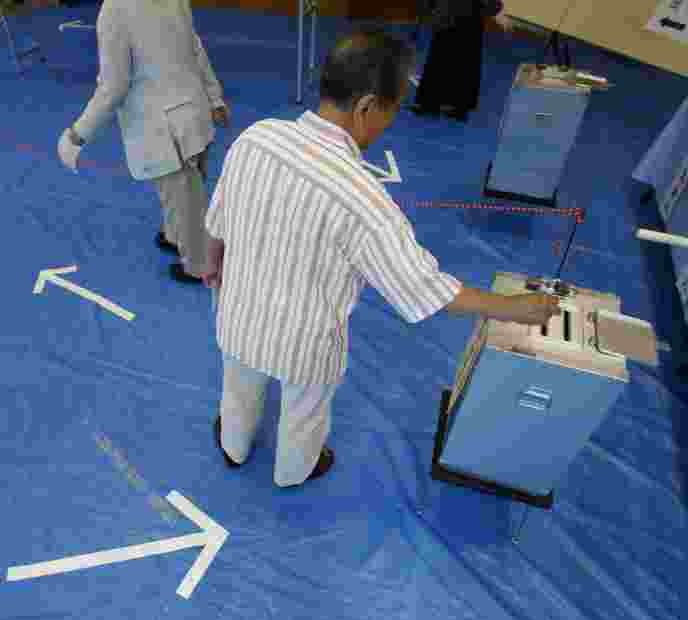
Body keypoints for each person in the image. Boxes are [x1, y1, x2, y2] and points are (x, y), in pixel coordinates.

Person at [200, 30, 560, 488]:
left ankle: (234, 446)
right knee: (304, 411)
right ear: (367, 106)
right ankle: (293, 471)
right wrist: (518, 308)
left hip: (240, 311)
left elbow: (219, 222)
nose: (389, 122)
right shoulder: (364, 199)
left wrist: (214, 265)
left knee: (237, 387)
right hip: (304, 341)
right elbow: (426, 288)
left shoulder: (256, 138)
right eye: (392, 110)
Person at [56, 0, 230, 284]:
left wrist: (77, 134)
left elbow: (114, 87)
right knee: (185, 190)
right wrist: (214, 97)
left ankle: (198, 265)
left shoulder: (114, 10)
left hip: (164, 126)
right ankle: (175, 236)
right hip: (194, 112)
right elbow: (195, 47)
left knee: (184, 197)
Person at [410, 0, 513, 122]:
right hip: (451, 11)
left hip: (467, 13)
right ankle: (434, 104)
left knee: (463, 58)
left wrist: (497, 11)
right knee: (442, 55)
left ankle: (454, 107)